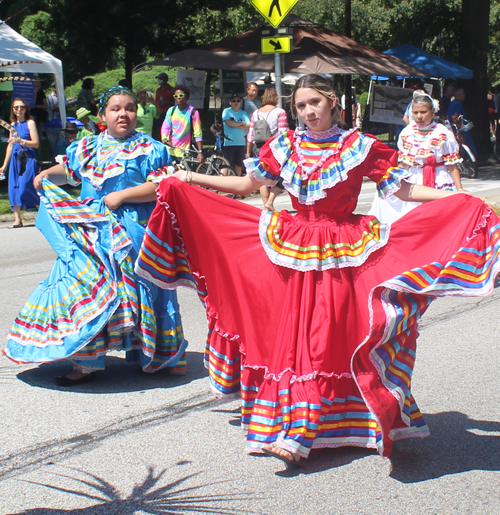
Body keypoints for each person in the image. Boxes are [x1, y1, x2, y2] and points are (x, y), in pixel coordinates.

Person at [135, 74, 500, 467]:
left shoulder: (362, 146)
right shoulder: (285, 145)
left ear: (333, 103)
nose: (308, 112)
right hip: (294, 247)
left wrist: (457, 198)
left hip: (344, 251)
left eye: (315, 103)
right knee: (295, 338)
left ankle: (317, 426)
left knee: (330, 337)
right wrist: (185, 178)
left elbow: (405, 190)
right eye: (301, 106)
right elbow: (245, 185)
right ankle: (297, 427)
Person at [3, 86, 187, 386]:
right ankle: (86, 362)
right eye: (116, 109)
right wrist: (48, 174)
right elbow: (71, 173)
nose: (124, 114)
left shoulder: (152, 148)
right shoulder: (86, 147)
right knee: (87, 288)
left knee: (143, 291)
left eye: (129, 108)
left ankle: (154, 355)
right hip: (92, 232)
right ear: (103, 115)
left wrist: (122, 195)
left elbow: (162, 186)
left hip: (135, 232)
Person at [369, 93, 463, 223]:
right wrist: (392, 182)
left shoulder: (442, 132)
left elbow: (452, 165)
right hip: (414, 179)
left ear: (433, 111)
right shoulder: (408, 132)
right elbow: (404, 165)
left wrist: (459, 189)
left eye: (423, 112)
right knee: (411, 217)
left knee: (440, 218)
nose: (419, 116)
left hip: (438, 179)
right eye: (415, 112)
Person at [246, 87, 288, 210]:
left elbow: (250, 135)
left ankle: (266, 205)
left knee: (261, 177)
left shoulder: (256, 113)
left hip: (257, 147)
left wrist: (248, 151)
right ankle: (270, 202)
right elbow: (283, 133)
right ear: (276, 98)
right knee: (282, 175)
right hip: (273, 148)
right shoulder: (279, 112)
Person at [0, 98, 39, 228]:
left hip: (27, 159)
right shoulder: (12, 125)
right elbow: (10, 147)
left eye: (21, 107)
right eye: (16, 107)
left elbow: (36, 143)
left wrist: (20, 140)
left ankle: (43, 212)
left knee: (25, 188)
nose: (19, 110)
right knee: (14, 189)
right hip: (15, 161)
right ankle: (17, 219)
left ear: (26, 109)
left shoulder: (30, 123)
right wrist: (4, 166)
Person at [161, 84, 205, 165]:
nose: (178, 97)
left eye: (181, 95)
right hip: (170, 150)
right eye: (176, 96)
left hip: (184, 152)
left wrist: (200, 152)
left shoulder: (193, 112)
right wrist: (164, 137)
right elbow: (165, 127)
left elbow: (198, 133)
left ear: (186, 97)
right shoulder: (171, 110)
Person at [222, 93, 250, 176]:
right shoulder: (226, 111)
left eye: (238, 100)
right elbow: (229, 123)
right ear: (230, 102)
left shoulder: (243, 113)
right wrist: (241, 123)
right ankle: (221, 182)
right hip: (229, 143)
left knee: (238, 165)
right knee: (227, 165)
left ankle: (237, 183)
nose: (236, 102)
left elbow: (248, 126)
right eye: (234, 101)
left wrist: (235, 125)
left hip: (241, 143)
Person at [447, 88, 478, 157]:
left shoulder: (452, 103)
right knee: (465, 143)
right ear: (459, 95)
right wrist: (460, 127)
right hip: (460, 127)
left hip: (451, 126)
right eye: (463, 94)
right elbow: (455, 117)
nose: (464, 96)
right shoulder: (458, 104)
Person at [154, 73, 174, 140]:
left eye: (160, 79)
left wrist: (166, 102)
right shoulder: (158, 90)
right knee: (158, 129)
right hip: (159, 112)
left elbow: (175, 102)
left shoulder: (171, 90)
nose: (159, 80)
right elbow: (156, 101)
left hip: (167, 112)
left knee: (167, 128)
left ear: (165, 80)